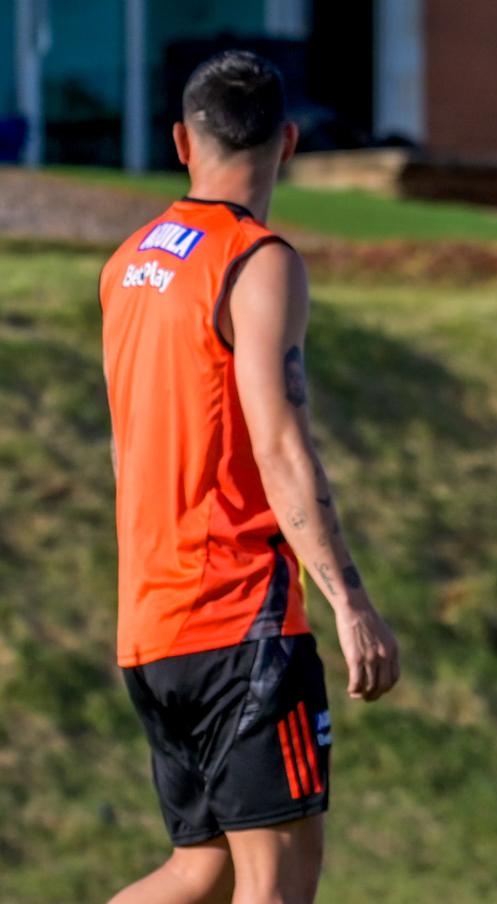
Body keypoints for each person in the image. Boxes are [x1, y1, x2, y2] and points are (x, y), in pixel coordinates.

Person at [99, 50, 400, 904]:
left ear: (180, 144)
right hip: (238, 621)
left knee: (202, 868)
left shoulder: (127, 264)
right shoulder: (257, 261)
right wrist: (351, 605)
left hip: (150, 625)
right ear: (290, 143)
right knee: (276, 882)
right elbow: (280, 444)